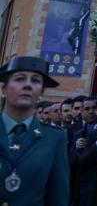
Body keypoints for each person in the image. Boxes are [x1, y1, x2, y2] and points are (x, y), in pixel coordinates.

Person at [0, 56, 69, 206]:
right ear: (3, 89)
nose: (28, 85)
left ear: (41, 92)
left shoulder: (54, 138)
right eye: (19, 79)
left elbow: (58, 197)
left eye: (36, 81)